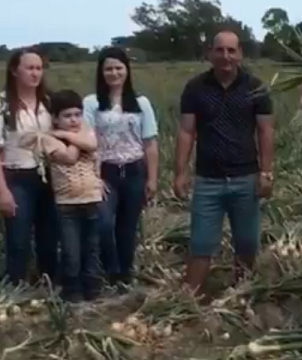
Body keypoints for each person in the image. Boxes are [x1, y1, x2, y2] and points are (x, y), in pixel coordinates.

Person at [173, 28, 275, 293]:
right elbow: (186, 131)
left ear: (240, 54)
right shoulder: (195, 88)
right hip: (208, 179)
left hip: (246, 178)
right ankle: (189, 296)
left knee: (247, 243)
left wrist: (266, 173)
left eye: (231, 50)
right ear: (210, 53)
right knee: (201, 243)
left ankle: (240, 294)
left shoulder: (255, 88)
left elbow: (265, 131)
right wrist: (180, 172)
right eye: (219, 50)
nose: (225, 56)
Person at [0, 48, 60, 287]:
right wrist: (2, 190)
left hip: (50, 178)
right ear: (15, 71)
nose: (35, 74)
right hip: (17, 177)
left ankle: (49, 288)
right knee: (18, 239)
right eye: (29, 68)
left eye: (38, 68)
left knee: (49, 238)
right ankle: (14, 289)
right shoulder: (0, 104)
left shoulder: (49, 102)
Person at [83, 47, 159, 291]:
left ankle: (124, 276)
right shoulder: (92, 103)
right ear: (101, 71)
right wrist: (92, 176)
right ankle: (111, 269)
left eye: (118, 68)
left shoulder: (140, 103)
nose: (114, 73)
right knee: (103, 223)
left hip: (134, 170)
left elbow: (150, 142)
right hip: (105, 171)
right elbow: (86, 141)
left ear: (127, 71)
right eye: (108, 68)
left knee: (127, 227)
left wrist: (152, 179)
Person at [34, 89, 103, 302]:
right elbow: (70, 157)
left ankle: (92, 288)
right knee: (71, 251)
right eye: (67, 116)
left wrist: (65, 135)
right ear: (55, 118)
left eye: (77, 115)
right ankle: (72, 290)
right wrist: (75, 139)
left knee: (91, 248)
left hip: (92, 199)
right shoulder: (47, 140)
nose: (74, 120)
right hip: (67, 204)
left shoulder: (80, 132)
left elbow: (92, 144)